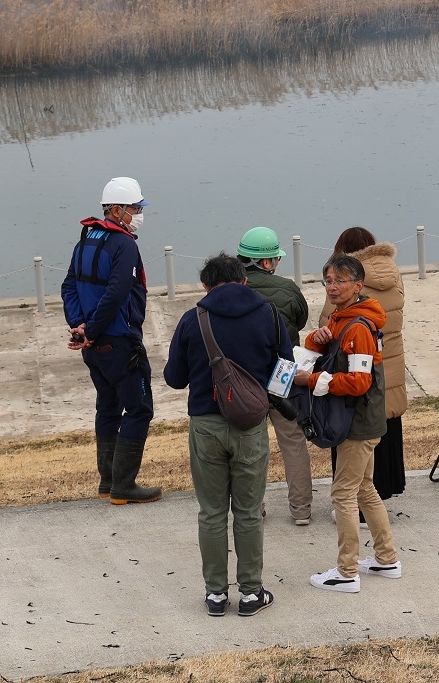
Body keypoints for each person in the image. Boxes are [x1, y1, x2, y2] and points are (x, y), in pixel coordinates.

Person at [162, 254, 290, 617]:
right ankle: (251, 592)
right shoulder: (269, 315)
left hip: (206, 424)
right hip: (250, 425)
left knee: (212, 513)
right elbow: (285, 367)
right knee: (248, 511)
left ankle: (216, 594)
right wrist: (266, 398)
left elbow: (174, 378)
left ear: (206, 286)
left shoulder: (193, 319)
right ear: (244, 281)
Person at [300, 254, 402, 593]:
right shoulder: (344, 321)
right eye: (327, 280)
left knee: (343, 494)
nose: (332, 286)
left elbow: (359, 382)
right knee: (364, 489)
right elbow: (338, 359)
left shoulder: (357, 326)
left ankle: (346, 572)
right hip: (365, 420)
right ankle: (386, 558)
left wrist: (315, 381)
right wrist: (316, 341)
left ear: (358, 286)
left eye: (340, 281)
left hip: (357, 423)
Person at [61, 176, 159, 504]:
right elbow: (118, 293)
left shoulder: (87, 238)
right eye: (135, 207)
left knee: (108, 406)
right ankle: (124, 485)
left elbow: (69, 287)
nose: (139, 213)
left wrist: (80, 327)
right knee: (140, 409)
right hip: (120, 343)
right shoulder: (125, 244)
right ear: (116, 210)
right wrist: (94, 330)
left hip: (94, 348)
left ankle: (108, 482)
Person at [320, 228, 407, 503]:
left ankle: (355, 503)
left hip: (355, 368)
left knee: (354, 433)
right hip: (389, 364)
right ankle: (384, 492)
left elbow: (328, 325)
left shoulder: (346, 281)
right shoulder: (393, 273)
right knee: (385, 429)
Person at [238, 226, 313, 525]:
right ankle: (301, 510)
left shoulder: (235, 291)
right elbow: (301, 318)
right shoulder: (288, 288)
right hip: (283, 373)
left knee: (252, 444)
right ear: (266, 262)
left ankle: (254, 507)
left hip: (247, 377)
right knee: (293, 441)